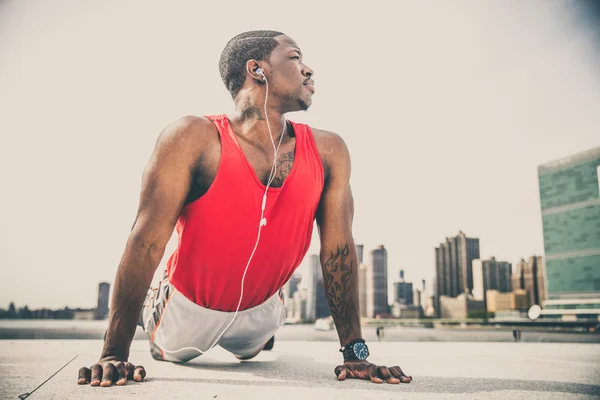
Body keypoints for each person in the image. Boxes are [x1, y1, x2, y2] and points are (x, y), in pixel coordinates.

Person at [77, 30, 412, 387]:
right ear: (257, 69)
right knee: (172, 350)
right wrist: (114, 353)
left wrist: (355, 354)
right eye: (296, 57)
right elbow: (145, 241)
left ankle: (259, 331)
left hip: (263, 312)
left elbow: (339, 251)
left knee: (251, 350)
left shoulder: (329, 150)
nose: (309, 70)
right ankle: (154, 306)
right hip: (185, 313)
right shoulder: (193, 137)